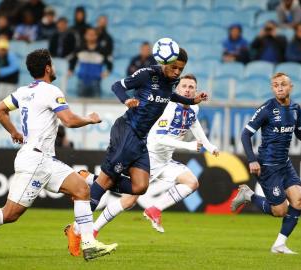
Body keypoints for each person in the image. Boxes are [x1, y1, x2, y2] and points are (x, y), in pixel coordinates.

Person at [0, 49, 117, 261]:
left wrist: (14, 132)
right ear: (47, 68)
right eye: (52, 65)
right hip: (36, 161)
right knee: (10, 214)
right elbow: (69, 120)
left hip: (44, 159)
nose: (53, 68)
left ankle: (89, 244)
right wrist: (90, 119)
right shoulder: (51, 90)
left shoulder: (23, 91)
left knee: (82, 189)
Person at [64, 49, 208, 256]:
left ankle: (90, 180)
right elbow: (117, 86)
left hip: (141, 138)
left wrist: (192, 101)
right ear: (164, 61)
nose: (177, 72)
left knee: (140, 187)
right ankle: (80, 234)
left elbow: (171, 96)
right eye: (174, 67)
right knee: (104, 184)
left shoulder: (170, 83)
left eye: (181, 69)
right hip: (126, 132)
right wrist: (126, 100)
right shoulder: (148, 74)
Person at [92, 74, 219, 237]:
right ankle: (94, 228)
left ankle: (155, 209)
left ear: (196, 90)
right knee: (129, 200)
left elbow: (194, 124)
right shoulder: (168, 108)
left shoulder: (194, 108)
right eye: (184, 87)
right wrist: (188, 145)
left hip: (166, 161)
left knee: (192, 183)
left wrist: (209, 146)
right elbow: (159, 139)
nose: (187, 90)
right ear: (177, 89)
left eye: (191, 87)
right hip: (149, 158)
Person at [231, 72, 301, 254]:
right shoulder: (267, 108)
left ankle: (279, 245)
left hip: (285, 164)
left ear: (291, 86)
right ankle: (249, 195)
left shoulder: (295, 108)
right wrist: (252, 160)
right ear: (272, 88)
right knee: (279, 211)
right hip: (267, 166)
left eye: (283, 84)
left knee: (299, 201)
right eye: (275, 85)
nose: (279, 88)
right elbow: (245, 134)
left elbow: (299, 132)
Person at [69, 27, 112, 97]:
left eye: (93, 34)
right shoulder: (80, 49)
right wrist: (71, 69)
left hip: (95, 82)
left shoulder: (102, 50)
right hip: (81, 81)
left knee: (96, 106)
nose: (91, 36)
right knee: (79, 105)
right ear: (85, 36)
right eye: (89, 34)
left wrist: (107, 72)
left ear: (96, 36)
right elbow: (73, 60)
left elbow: (109, 64)